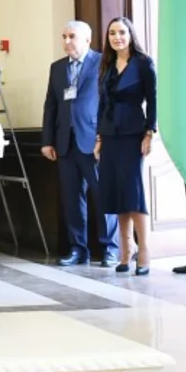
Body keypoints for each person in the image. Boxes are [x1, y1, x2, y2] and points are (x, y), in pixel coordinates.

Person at [42, 20, 118, 267]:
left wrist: (104, 136)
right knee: (72, 199)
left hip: (94, 140)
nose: (66, 41)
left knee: (103, 194)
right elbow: (51, 105)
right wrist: (47, 140)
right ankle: (78, 249)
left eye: (72, 36)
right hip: (65, 142)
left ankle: (110, 248)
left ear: (87, 39)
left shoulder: (102, 62)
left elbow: (110, 101)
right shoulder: (57, 68)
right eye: (64, 36)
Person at [94, 17, 156, 277]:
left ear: (130, 35)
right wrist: (99, 138)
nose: (117, 37)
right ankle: (125, 248)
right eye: (112, 33)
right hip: (110, 135)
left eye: (121, 32)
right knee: (117, 191)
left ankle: (144, 250)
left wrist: (149, 132)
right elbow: (102, 103)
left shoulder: (143, 63)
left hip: (132, 133)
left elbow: (153, 99)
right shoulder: (107, 65)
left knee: (133, 192)